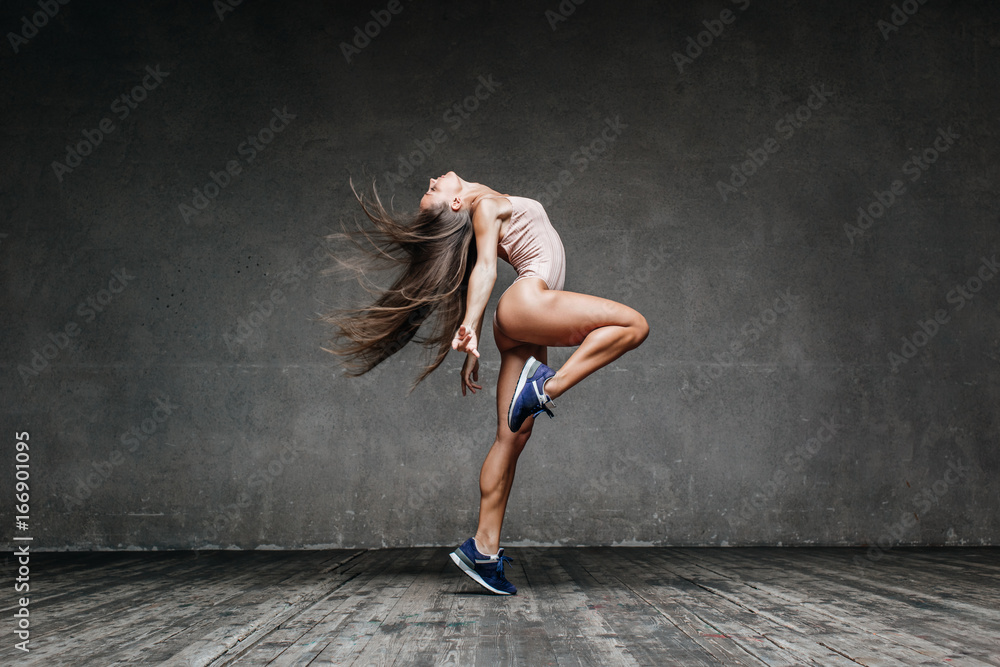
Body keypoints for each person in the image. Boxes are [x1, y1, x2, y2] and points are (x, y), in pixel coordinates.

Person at [323, 171, 649, 595]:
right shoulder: (486, 205)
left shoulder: (484, 211)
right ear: (457, 203)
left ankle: (483, 549)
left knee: (511, 438)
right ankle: (545, 388)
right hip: (527, 304)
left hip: (521, 321)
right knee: (634, 324)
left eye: (430, 188)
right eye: (434, 190)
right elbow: (485, 272)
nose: (432, 179)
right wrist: (470, 325)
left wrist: (473, 329)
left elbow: (476, 267)